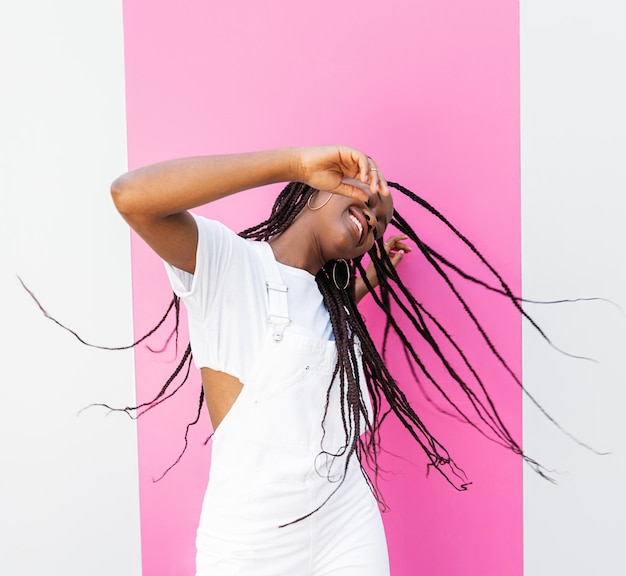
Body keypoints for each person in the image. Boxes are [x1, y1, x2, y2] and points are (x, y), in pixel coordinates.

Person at [110, 145, 536, 575]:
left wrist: (370, 279)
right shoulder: (228, 265)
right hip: (254, 537)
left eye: (380, 222)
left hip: (346, 518)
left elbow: (309, 331)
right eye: (367, 198)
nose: (373, 218)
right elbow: (132, 196)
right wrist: (293, 164)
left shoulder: (330, 307)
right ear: (314, 189)